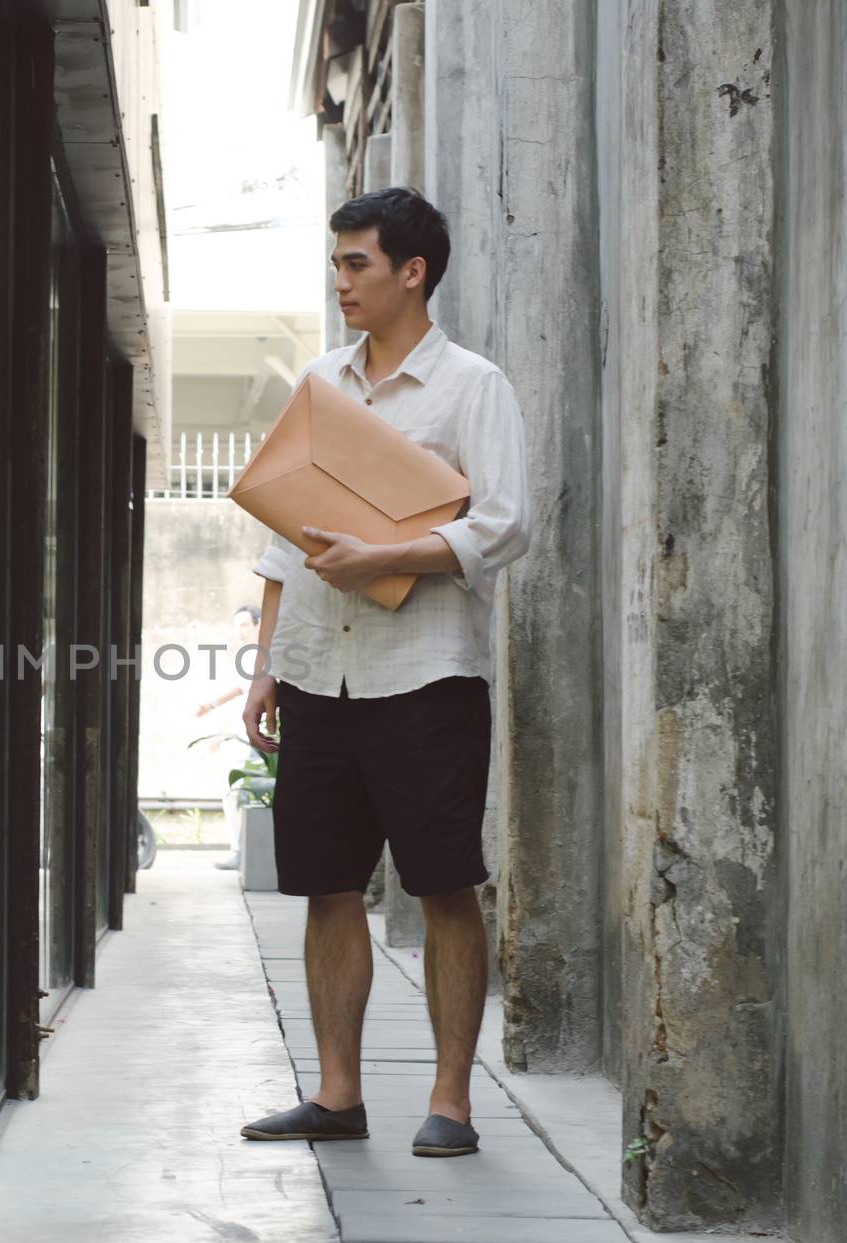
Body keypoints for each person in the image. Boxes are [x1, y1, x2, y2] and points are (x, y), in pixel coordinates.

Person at [237, 188, 529, 1157]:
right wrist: (267, 663)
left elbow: (503, 523)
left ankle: (450, 1101)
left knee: (444, 883)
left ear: (413, 271)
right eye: (336, 265)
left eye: (357, 264)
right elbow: (284, 532)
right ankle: (335, 1094)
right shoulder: (321, 381)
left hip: (427, 675)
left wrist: (389, 558)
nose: (340, 282)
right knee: (325, 884)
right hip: (321, 669)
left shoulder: (471, 385)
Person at [192, 604, 261, 869]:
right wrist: (219, 735)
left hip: (254, 739)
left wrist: (208, 704)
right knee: (234, 793)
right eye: (237, 626)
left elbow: (239, 690)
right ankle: (241, 851)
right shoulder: (247, 654)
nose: (240, 632)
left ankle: (242, 852)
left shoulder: (260, 654)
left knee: (236, 794)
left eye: (244, 625)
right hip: (239, 736)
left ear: (257, 624)